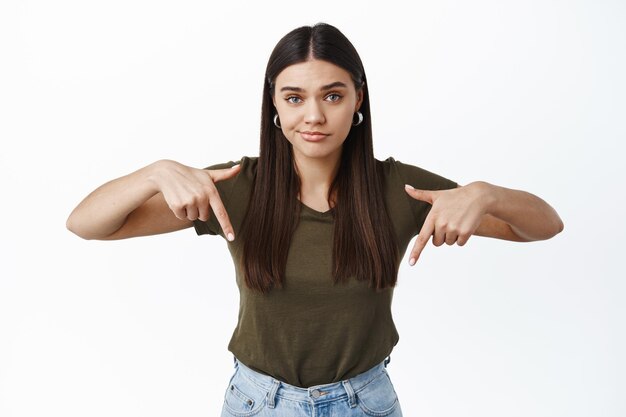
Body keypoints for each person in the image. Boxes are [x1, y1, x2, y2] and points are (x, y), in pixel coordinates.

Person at [66, 22, 563, 417]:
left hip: (364, 402)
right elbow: (86, 223)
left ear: (358, 99)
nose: (314, 117)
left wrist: (485, 194)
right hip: (258, 403)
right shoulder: (239, 187)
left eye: (332, 95)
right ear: (275, 107)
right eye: (294, 97)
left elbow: (544, 226)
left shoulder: (400, 189)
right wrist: (154, 172)